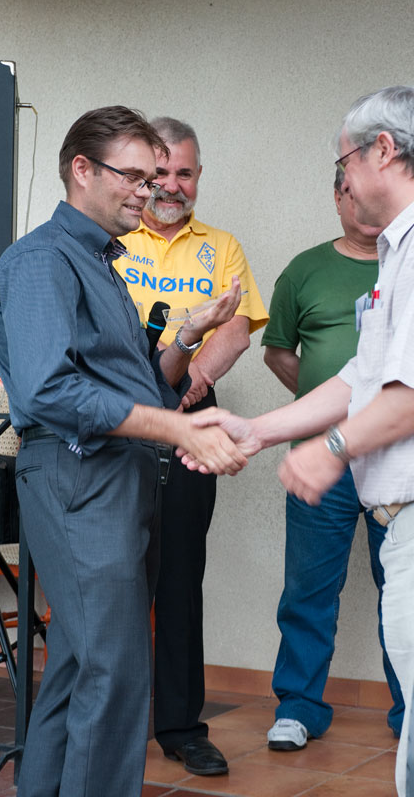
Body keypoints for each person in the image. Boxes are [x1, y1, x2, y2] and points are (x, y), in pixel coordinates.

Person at [182, 86, 414, 796]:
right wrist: (258, 430)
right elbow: (364, 377)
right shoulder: (407, 248)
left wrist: (330, 450)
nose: (344, 181)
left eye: (344, 162)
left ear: (382, 151)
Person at [0, 105, 247, 797]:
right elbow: (47, 391)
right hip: (79, 480)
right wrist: (176, 431)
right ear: (82, 169)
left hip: (111, 481)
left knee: (80, 666)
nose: (147, 192)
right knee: (116, 670)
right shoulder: (42, 260)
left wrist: (187, 334)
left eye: (153, 178)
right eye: (133, 176)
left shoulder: (100, 261)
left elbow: (143, 387)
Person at [113, 117, 268, 776]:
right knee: (114, 573)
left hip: (190, 411)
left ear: (198, 177)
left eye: (184, 173)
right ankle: (110, 726)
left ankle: (180, 727)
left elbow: (237, 327)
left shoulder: (221, 247)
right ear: (140, 176)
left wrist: (192, 379)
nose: (171, 185)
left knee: (179, 572)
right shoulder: (111, 238)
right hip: (117, 416)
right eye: (160, 173)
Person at [261, 169, 404, 751]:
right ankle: (298, 707)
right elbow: (278, 353)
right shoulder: (304, 270)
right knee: (308, 588)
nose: (366, 206)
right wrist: (327, 410)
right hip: (321, 461)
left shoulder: (411, 264)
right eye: (353, 194)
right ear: (338, 196)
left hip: (398, 458)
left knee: (405, 590)